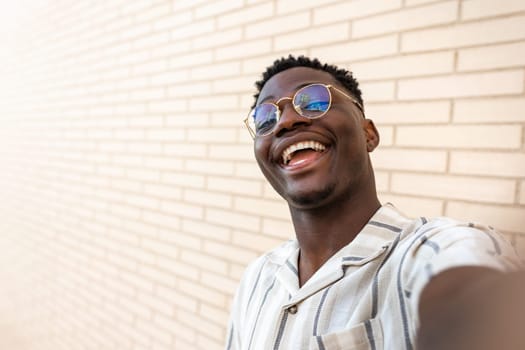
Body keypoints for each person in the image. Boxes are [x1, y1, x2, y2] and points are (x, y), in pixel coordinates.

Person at [226, 55, 524, 350]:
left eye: (315, 101)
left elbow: (468, 283)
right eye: (265, 119)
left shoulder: (429, 251)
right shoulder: (257, 277)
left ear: (369, 134)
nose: (287, 121)